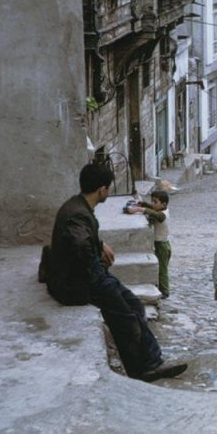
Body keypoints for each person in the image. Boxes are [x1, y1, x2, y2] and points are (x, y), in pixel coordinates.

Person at [45, 162, 186, 382]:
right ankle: (141, 370)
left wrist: (100, 245)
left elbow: (83, 237)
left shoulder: (77, 206)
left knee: (134, 304)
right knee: (125, 316)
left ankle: (151, 362)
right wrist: (97, 262)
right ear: (102, 189)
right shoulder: (78, 214)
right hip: (79, 282)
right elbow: (80, 245)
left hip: (88, 275)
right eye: (108, 188)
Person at [127, 190, 171, 299]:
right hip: (161, 244)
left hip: (162, 246)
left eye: (155, 202)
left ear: (164, 204)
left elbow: (157, 215)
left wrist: (141, 209)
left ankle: (165, 291)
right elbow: (152, 209)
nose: (152, 204)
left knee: (162, 269)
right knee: (159, 267)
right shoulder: (160, 209)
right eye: (152, 201)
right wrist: (142, 204)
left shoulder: (163, 214)